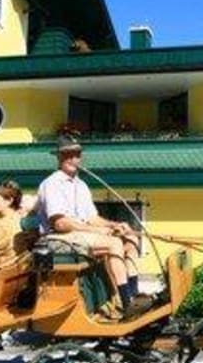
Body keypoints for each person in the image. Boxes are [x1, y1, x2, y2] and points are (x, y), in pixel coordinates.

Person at [35, 135, 150, 320]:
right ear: (59, 157)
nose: (73, 159)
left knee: (130, 239)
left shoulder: (82, 185)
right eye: (68, 155)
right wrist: (97, 231)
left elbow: (92, 217)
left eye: (77, 154)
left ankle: (134, 294)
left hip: (79, 235)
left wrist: (115, 225)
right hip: (57, 238)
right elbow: (60, 223)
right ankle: (126, 302)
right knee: (113, 244)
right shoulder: (52, 184)